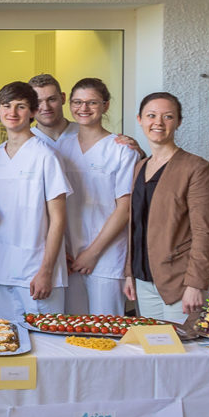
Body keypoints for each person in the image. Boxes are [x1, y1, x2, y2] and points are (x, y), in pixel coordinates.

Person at [0, 82, 72, 321]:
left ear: (32, 112)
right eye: (7, 106)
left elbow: (58, 218)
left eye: (21, 106)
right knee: (5, 344)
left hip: (36, 272)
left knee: (46, 348)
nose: (12, 112)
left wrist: (46, 271)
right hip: (0, 270)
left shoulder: (46, 155)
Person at [124, 92, 209, 323]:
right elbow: (135, 225)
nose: (158, 123)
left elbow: (203, 232)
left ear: (179, 122)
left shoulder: (196, 168)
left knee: (182, 355)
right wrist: (129, 274)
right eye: (151, 115)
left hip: (179, 283)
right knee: (153, 354)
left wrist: (195, 283)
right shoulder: (140, 166)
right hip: (143, 280)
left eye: (168, 116)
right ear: (140, 119)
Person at [59, 78, 140, 315]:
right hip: (68, 257)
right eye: (77, 102)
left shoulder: (121, 149)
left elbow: (125, 208)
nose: (83, 108)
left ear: (105, 105)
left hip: (106, 256)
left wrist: (92, 254)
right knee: (69, 332)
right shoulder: (61, 148)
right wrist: (62, 250)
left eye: (92, 102)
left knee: (105, 331)